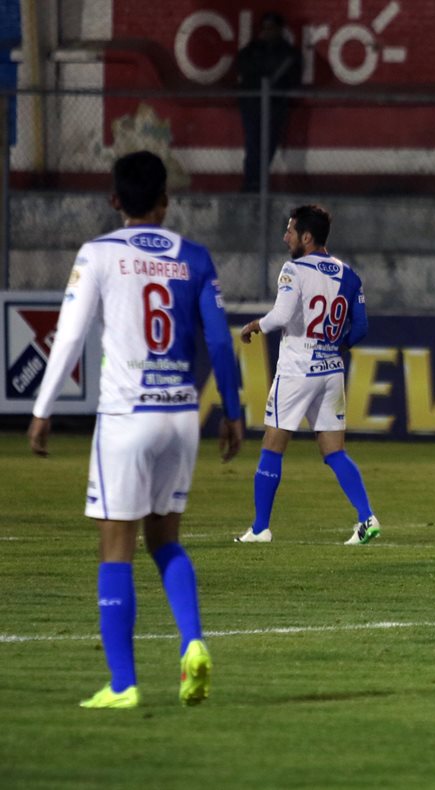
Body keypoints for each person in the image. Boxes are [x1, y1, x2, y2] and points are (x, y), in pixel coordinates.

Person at [27, 150, 244, 709]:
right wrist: (233, 411)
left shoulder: (98, 254)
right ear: (166, 201)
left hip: (127, 417)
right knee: (166, 540)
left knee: (115, 548)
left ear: (114, 199)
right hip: (181, 416)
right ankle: (193, 641)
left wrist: (42, 408)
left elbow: (69, 337)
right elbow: (220, 342)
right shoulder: (194, 257)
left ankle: (123, 684)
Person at [236, 205, 380, 546]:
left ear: (306, 237)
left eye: (290, 231)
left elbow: (280, 316)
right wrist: (336, 346)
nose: (285, 237)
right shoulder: (349, 274)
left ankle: (260, 528)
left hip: (297, 369)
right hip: (331, 370)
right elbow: (360, 327)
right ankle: (367, 518)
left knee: (272, 447)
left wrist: (255, 325)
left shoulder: (294, 269)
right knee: (334, 451)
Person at [235, 12, 300, 192]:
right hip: (252, 105)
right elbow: (242, 67)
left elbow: (293, 77)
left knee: (267, 146)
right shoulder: (252, 50)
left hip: (275, 107)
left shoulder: (288, 53)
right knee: (253, 146)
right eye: (264, 28)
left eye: (271, 28)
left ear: (280, 29)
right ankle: (252, 184)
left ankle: (258, 184)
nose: (267, 31)